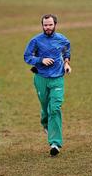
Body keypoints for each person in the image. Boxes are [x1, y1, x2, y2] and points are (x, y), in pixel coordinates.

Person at [24, 14, 71, 156]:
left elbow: (66, 52)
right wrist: (41, 60)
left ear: (55, 24)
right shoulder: (36, 41)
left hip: (57, 78)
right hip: (41, 78)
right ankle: (45, 124)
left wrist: (67, 64)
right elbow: (27, 57)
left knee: (55, 108)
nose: (48, 27)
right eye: (45, 25)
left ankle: (55, 143)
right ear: (42, 25)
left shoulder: (62, 39)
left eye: (50, 25)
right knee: (45, 107)